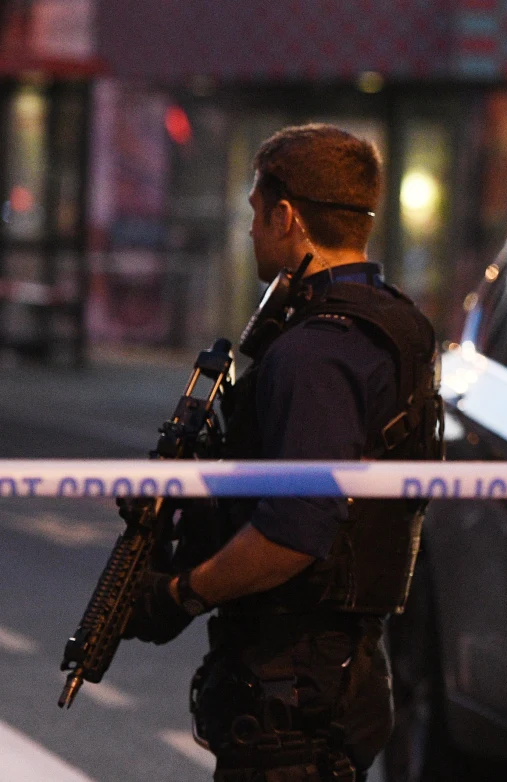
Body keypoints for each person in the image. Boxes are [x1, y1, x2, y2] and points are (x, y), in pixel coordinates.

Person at [123, 123, 440, 782]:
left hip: (292, 697)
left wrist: (180, 592)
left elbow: (294, 531)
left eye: (255, 213)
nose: (249, 232)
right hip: (338, 674)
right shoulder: (393, 321)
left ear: (287, 216)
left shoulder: (315, 351)